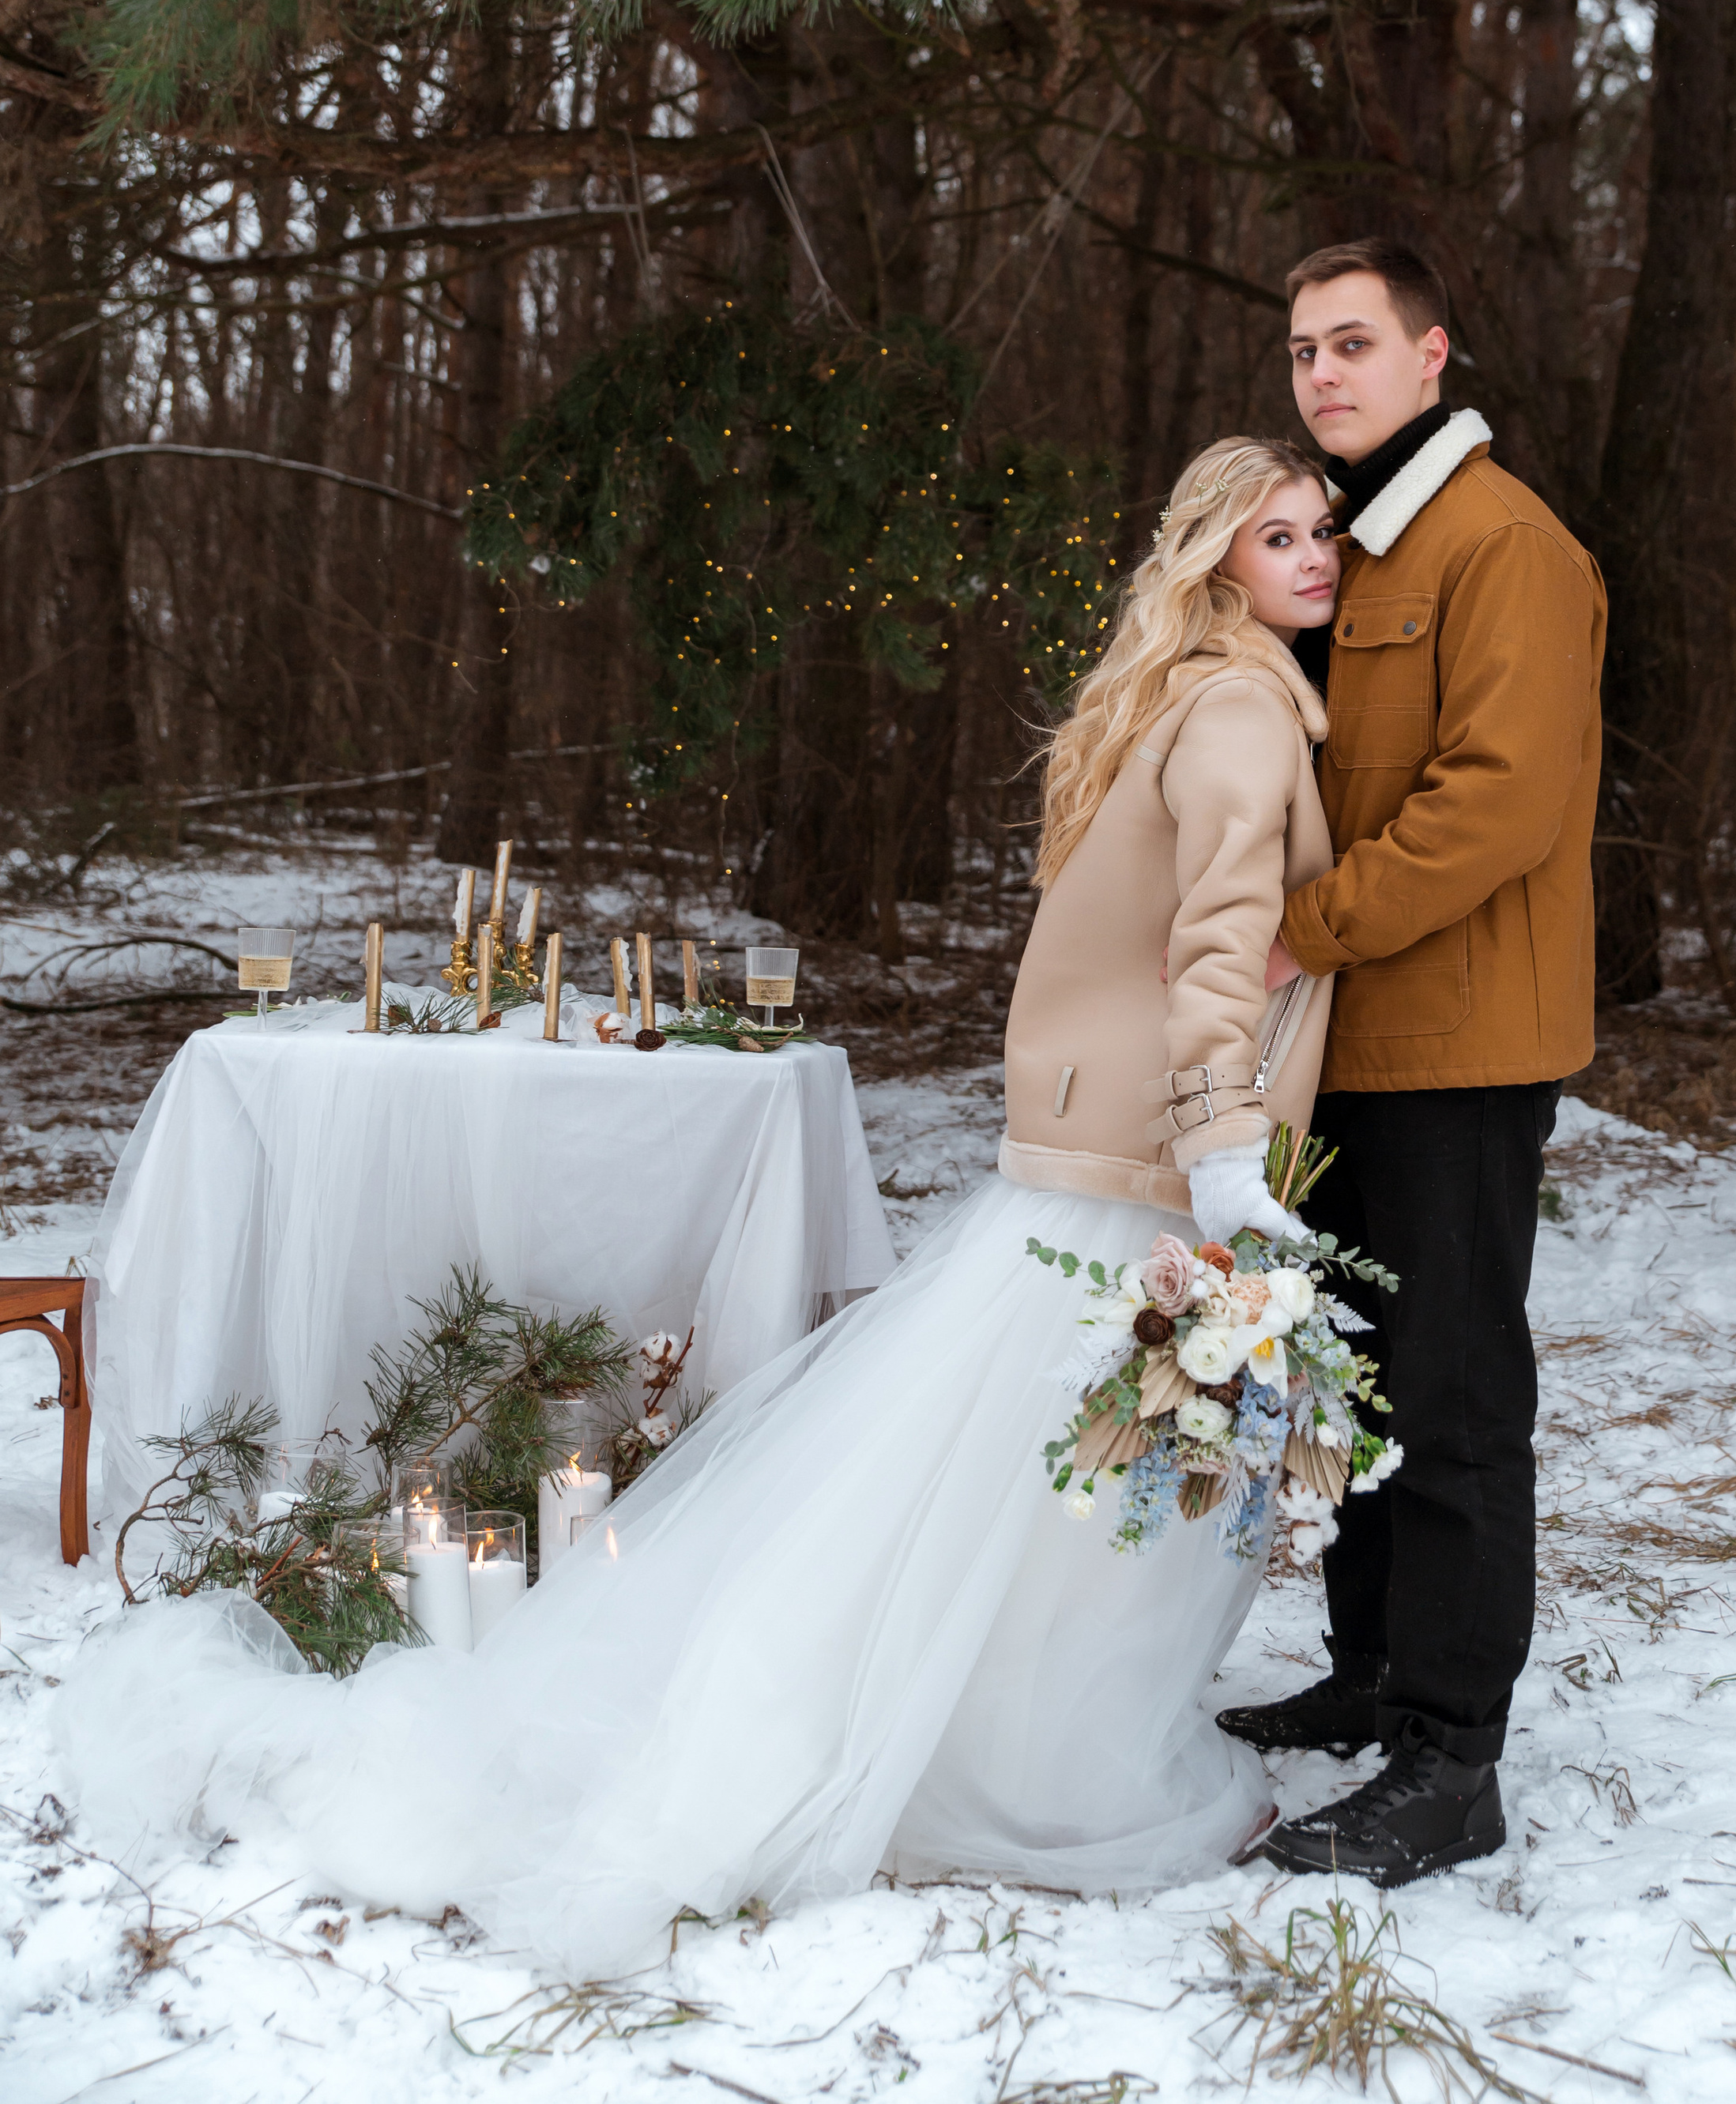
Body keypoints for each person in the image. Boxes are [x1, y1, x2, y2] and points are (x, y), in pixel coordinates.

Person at [58, 440, 1343, 1977]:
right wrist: (1222, 1167)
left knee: (999, 1481)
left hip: (1079, 1145)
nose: (1314, 552)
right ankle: (1046, 1777)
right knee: (1085, 1493)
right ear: (1213, 559)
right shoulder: (1250, 707)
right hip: (1149, 1155)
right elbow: (1212, 955)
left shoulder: (1167, 695)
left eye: (1321, 526)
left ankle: (990, 1736)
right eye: (1278, 534)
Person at [1215, 239, 1606, 1891]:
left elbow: (1495, 800)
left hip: (1454, 1043)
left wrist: (1306, 923)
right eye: (1303, 348)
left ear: (1431, 354)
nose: (1322, 372)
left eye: (1353, 341)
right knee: (1359, 1385)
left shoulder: (1498, 545)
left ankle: (1449, 1757)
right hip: (1354, 1047)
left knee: (1448, 1392)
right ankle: (1371, 1669)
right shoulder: (1358, 543)